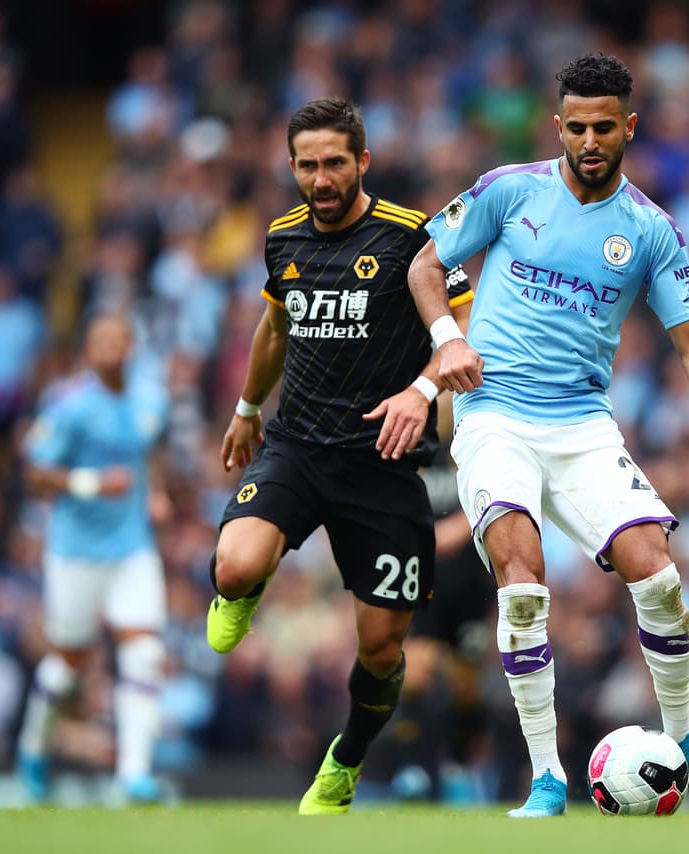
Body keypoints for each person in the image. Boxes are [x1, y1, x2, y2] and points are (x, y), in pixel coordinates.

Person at [407, 52, 689, 818]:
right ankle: (546, 776)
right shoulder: (510, 192)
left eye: (605, 126)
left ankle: (686, 736)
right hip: (495, 415)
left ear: (629, 126)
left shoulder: (650, 231)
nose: (591, 140)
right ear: (558, 126)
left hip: (580, 423)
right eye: (577, 127)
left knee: (657, 572)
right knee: (523, 577)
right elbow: (423, 266)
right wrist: (448, 337)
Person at [206, 97, 473, 815]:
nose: (319, 179)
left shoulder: (409, 236)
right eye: (306, 165)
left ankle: (345, 761)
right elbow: (273, 327)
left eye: (333, 164)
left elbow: (463, 321)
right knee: (233, 565)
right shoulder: (283, 239)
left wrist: (421, 389)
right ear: (291, 167)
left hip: (384, 465)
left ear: (362, 162)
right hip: (297, 447)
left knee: (383, 650)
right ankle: (246, 586)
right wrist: (246, 409)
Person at [16, 313, 171, 804]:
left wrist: (157, 493)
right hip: (75, 551)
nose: (111, 349)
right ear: (87, 349)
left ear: (131, 347)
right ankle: (33, 746)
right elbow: (35, 476)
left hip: (132, 548)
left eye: (119, 340)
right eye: (101, 341)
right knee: (70, 663)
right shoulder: (68, 404)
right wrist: (91, 483)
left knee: (144, 653)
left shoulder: (151, 398)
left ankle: (133, 775)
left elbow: (151, 451)